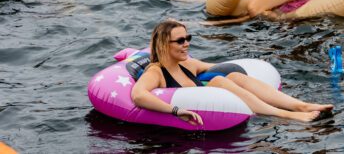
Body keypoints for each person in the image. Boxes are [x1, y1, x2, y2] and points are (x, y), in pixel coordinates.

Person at [131, 19, 331, 124]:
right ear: (165, 45)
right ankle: (287, 115)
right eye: (181, 41)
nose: (187, 44)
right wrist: (176, 110)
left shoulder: (188, 64)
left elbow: (222, 68)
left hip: (213, 102)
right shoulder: (156, 72)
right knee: (218, 81)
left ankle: (301, 106)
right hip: (195, 115)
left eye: (188, 38)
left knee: (232, 76)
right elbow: (138, 95)